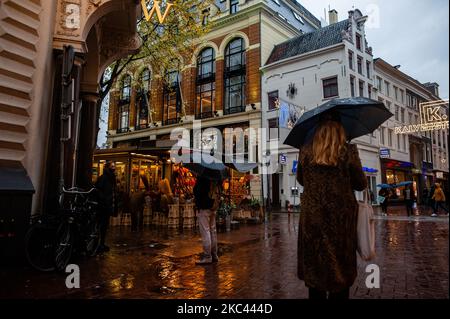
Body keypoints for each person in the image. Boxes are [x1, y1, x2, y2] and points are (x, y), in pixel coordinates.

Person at [296, 120, 367, 299]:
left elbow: (301, 180)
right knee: (340, 275)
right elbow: (361, 184)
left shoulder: (305, 151)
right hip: (340, 221)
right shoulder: (348, 151)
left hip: (313, 220)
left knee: (315, 276)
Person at [193, 176, 220, 265]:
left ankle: (207, 256)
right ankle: (214, 254)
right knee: (213, 231)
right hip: (213, 206)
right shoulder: (215, 177)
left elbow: (197, 191)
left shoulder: (202, 178)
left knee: (206, 231)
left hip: (204, 207)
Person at [95, 161, 117, 253]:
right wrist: (103, 200)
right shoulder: (103, 178)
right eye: (112, 166)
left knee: (104, 226)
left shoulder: (112, 179)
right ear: (108, 167)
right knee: (100, 225)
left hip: (107, 206)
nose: (114, 168)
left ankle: (102, 243)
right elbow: (98, 190)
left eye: (114, 166)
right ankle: (98, 244)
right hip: (103, 206)